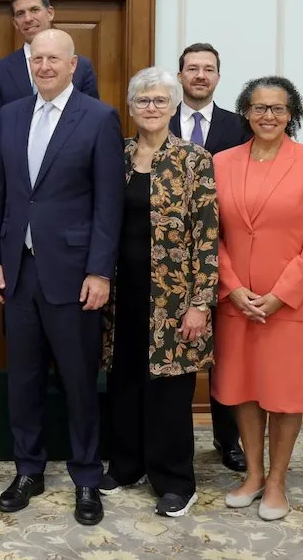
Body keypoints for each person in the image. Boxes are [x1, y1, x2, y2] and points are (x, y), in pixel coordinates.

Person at [0, 29, 123, 526]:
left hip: (74, 275)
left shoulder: (100, 117)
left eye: (53, 59)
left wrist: (99, 271)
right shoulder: (12, 115)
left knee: (80, 381)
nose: (44, 66)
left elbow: (109, 204)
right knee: (23, 380)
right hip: (18, 273)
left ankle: (87, 477)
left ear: (72, 64)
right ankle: (29, 469)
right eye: (36, 59)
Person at [212, 76, 303, 521]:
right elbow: (215, 235)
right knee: (244, 390)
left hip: (289, 305)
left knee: (284, 396)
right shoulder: (222, 162)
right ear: (246, 111)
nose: (268, 115)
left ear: (292, 114)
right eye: (260, 107)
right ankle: (253, 474)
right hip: (237, 303)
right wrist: (233, 287)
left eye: (278, 108)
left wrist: (280, 295)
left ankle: (278, 482)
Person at [101, 67, 219, 518]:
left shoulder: (194, 159)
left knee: (170, 390)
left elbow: (207, 238)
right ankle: (128, 465)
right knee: (125, 380)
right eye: (142, 101)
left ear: (174, 107)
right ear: (130, 109)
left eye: (159, 101)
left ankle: (174, 480)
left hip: (174, 299)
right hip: (121, 294)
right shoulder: (119, 155)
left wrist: (199, 304)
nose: (151, 108)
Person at [168, 42, 247, 472]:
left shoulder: (239, 127)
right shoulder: (158, 120)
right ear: (179, 76)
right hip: (169, 258)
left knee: (225, 355)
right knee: (174, 351)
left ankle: (227, 439)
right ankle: (170, 437)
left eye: (208, 69)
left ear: (218, 77)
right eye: (192, 69)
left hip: (225, 252)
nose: (200, 75)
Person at [0, 0, 99, 149]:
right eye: (20, 14)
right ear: (15, 23)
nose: (28, 18)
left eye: (34, 10)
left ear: (50, 13)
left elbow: (91, 123)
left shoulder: (81, 66)